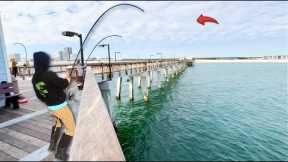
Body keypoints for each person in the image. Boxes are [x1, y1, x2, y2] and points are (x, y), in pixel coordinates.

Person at [32, 51, 75, 160]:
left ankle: (52, 145)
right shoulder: (49, 74)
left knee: (58, 124)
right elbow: (63, 84)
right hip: (60, 107)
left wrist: (49, 99)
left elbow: (39, 96)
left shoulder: (34, 78)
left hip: (51, 108)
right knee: (71, 129)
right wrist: (68, 78)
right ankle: (60, 153)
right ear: (44, 62)